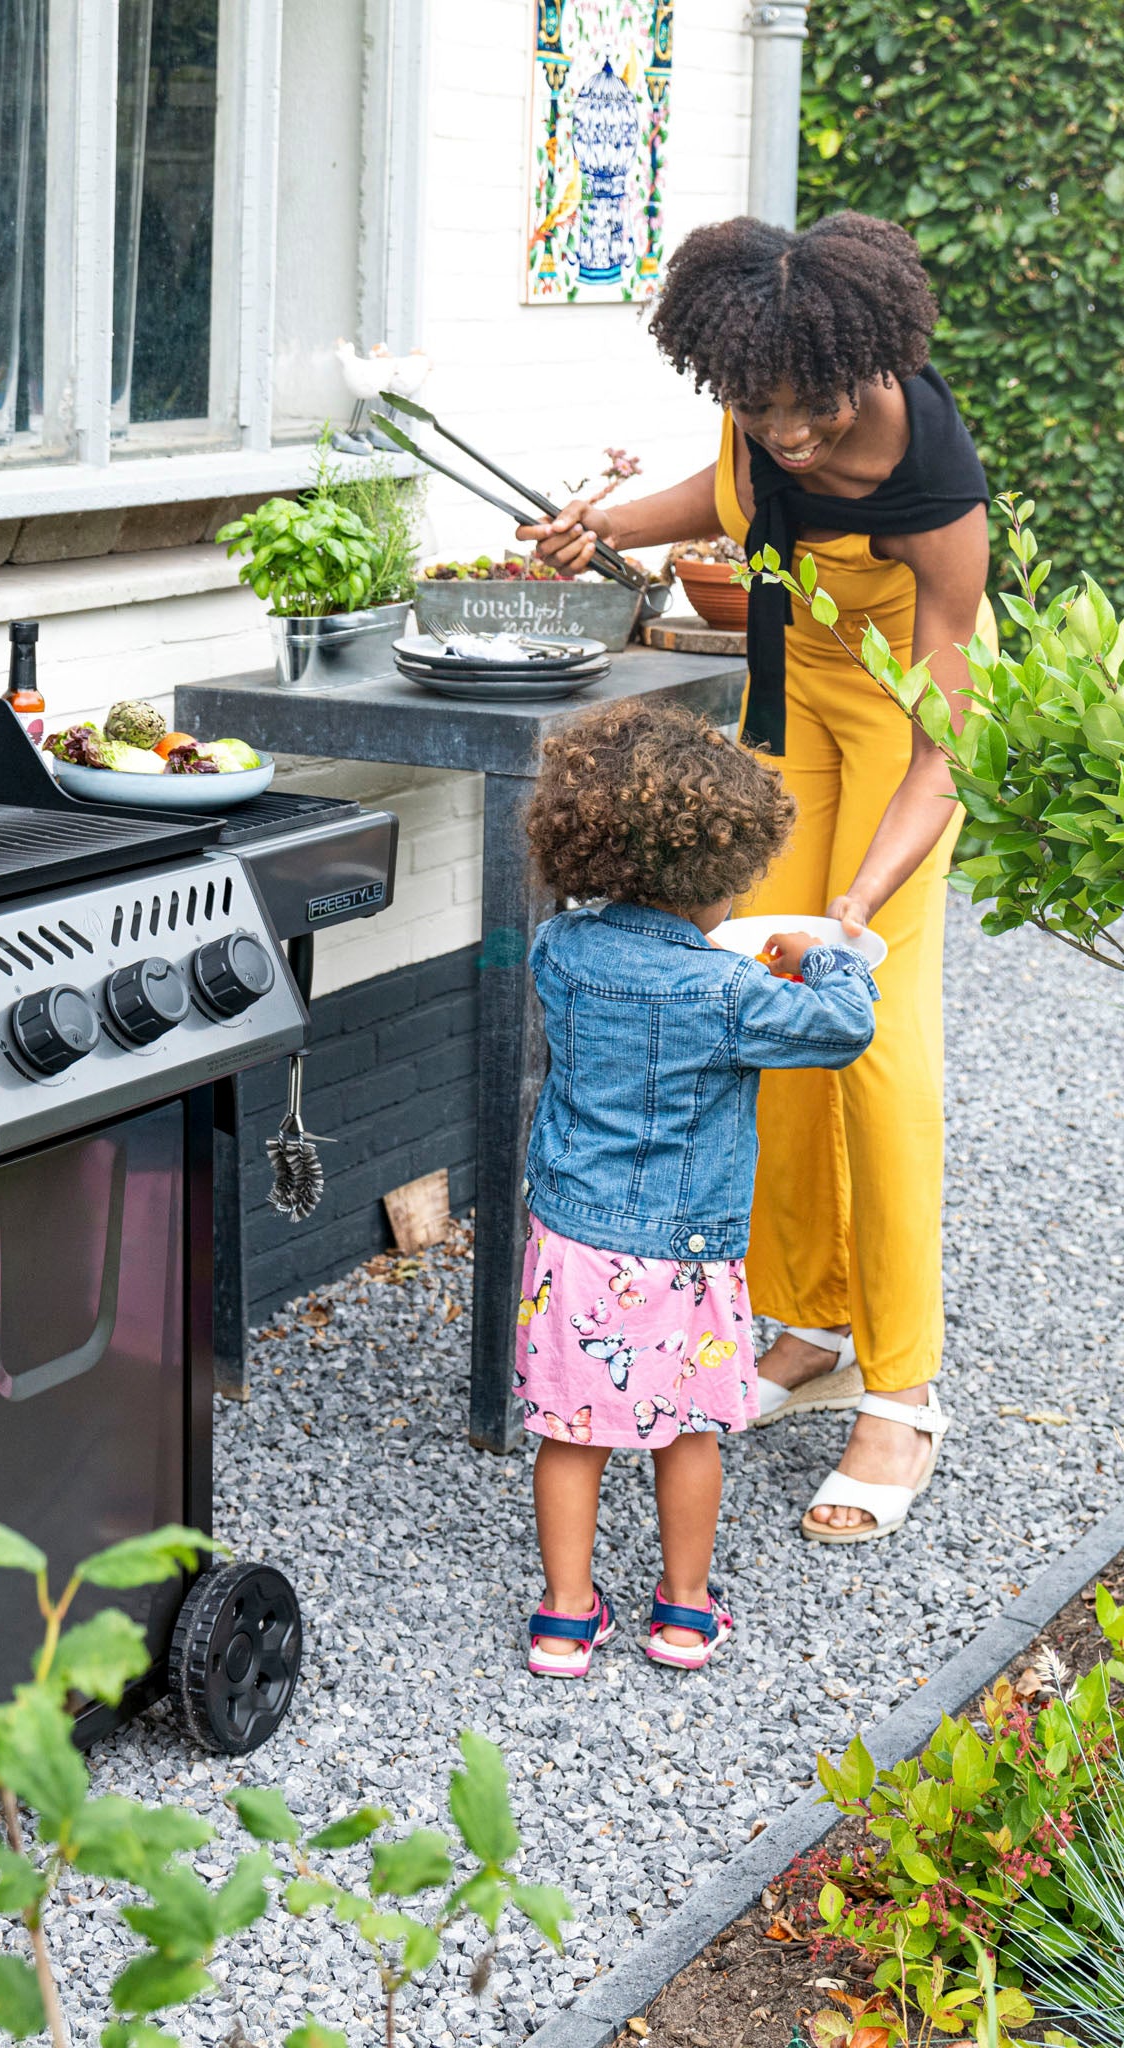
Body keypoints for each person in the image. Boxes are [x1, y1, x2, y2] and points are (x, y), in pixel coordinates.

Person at [518, 213, 987, 1542]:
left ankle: (903, 1389)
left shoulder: (933, 487)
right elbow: (723, 499)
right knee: (751, 1009)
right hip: (792, 709)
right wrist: (596, 521)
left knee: (876, 1039)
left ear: (865, 369)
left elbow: (951, 739)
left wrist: (859, 903)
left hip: (906, 722)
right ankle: (811, 1324)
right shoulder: (762, 405)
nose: (785, 434)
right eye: (757, 408)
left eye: (809, 414)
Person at [516, 703, 880, 1677]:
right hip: (683, 1252)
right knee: (687, 1431)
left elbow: (623, 976)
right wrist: (826, 953)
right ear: (714, 874)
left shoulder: (558, 948)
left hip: (572, 1240)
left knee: (568, 1428)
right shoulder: (728, 993)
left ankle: (562, 1615)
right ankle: (680, 1612)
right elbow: (841, 1025)